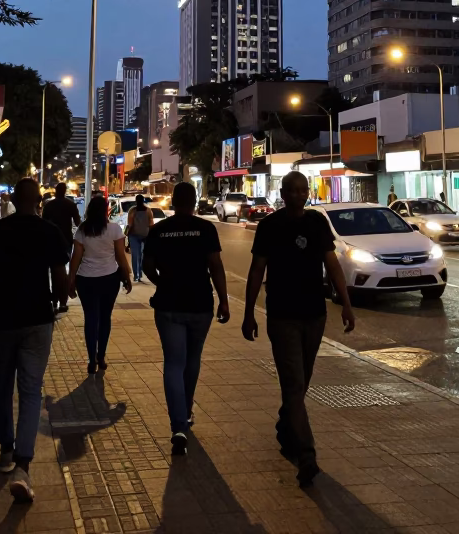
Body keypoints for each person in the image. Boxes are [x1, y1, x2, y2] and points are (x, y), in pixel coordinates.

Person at [242, 171, 354, 488]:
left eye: (301, 190)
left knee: (301, 381)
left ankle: (285, 426)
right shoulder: (269, 226)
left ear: (307, 193)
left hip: (314, 315)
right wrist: (248, 313)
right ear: (282, 192)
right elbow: (256, 270)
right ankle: (306, 456)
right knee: (293, 384)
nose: (296, 195)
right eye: (291, 190)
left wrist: (345, 303)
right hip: (281, 315)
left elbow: (331, 264)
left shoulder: (317, 223)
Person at [0, 178, 69, 504]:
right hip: (37, 321)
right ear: (38, 200)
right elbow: (60, 276)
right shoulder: (50, 232)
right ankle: (23, 465)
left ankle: (7, 450)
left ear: (11, 200)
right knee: (30, 391)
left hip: (1, 322)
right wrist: (58, 301)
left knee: (2, 387)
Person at [143, 182, 230, 456]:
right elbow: (215, 266)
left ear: (173, 201)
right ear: (194, 202)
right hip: (200, 303)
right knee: (192, 360)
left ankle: (178, 424)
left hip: (169, 304)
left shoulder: (159, 230)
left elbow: (147, 266)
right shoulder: (206, 229)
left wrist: (163, 282)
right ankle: (187, 408)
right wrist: (224, 300)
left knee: (173, 363)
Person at [69, 195, 132, 372]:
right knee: (105, 318)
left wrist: (71, 280)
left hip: (86, 280)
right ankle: (101, 357)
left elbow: (76, 258)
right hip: (109, 279)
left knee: (91, 318)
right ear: (105, 210)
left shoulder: (82, 230)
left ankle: (91, 360)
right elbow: (120, 256)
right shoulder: (114, 230)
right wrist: (127, 277)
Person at [43, 183, 82, 312]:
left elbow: (43, 223)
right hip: (65, 242)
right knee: (62, 272)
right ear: (65, 191)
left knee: (54, 272)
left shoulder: (49, 205)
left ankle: (54, 301)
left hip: (50, 242)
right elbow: (77, 222)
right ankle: (63, 301)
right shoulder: (70, 204)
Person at [126, 195, 154, 283]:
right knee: (142, 256)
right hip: (145, 235)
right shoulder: (148, 211)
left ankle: (136, 276)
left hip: (134, 236)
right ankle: (140, 274)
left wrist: (128, 238)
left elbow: (129, 225)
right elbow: (151, 225)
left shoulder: (132, 211)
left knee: (135, 256)